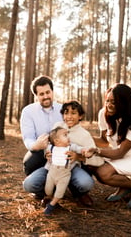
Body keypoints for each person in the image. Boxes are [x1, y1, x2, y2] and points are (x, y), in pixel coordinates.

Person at [20, 75, 94, 205]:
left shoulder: (63, 110)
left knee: (85, 181)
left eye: (48, 92)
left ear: (52, 91)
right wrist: (38, 146)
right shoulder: (28, 111)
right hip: (44, 152)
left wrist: (77, 153)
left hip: (67, 154)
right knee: (29, 171)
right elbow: (28, 138)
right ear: (36, 96)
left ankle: (78, 191)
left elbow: (75, 130)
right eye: (41, 94)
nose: (46, 96)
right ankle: (45, 191)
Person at [86, 83, 131, 209]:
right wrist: (83, 137)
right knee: (92, 166)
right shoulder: (103, 113)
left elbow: (120, 152)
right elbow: (103, 141)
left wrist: (97, 151)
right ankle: (125, 187)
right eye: (107, 101)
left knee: (104, 173)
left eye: (114, 102)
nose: (109, 105)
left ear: (124, 103)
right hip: (118, 155)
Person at [44, 126, 94, 215]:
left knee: (60, 192)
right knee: (48, 190)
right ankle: (49, 197)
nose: (68, 137)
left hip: (64, 174)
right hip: (52, 173)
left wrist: (85, 150)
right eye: (65, 135)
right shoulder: (51, 147)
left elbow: (80, 149)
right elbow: (46, 152)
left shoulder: (70, 147)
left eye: (67, 134)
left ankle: (52, 204)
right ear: (57, 141)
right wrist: (46, 155)